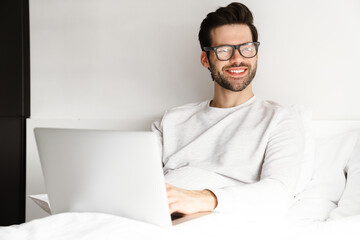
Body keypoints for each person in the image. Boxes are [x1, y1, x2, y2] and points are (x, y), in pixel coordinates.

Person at [152, 2, 305, 217]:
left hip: (213, 218)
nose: (237, 59)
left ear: (256, 54)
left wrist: (200, 199)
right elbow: (138, 179)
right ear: (206, 59)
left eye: (246, 48)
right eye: (224, 50)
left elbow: (279, 192)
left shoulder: (280, 119)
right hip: (155, 213)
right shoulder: (172, 120)